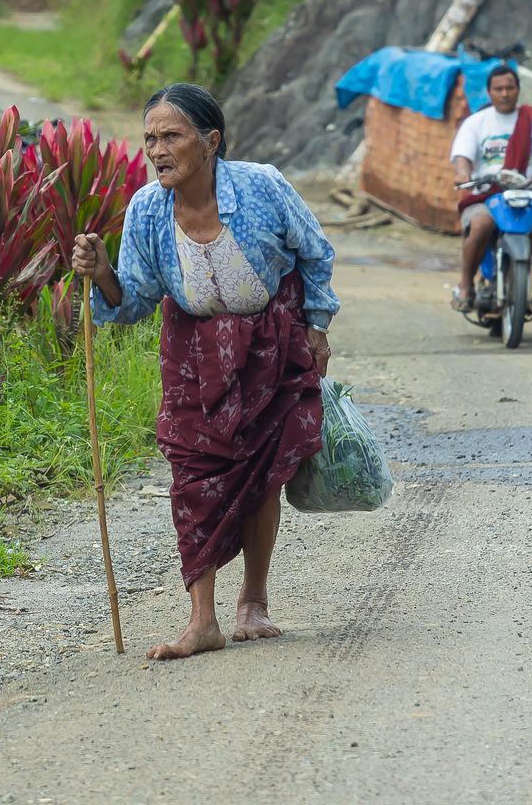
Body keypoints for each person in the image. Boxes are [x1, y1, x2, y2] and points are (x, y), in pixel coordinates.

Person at [72, 82, 339, 661]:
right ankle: (203, 621)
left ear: (211, 141)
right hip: (193, 351)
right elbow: (132, 300)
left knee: (264, 470)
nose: (157, 150)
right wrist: (102, 274)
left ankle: (254, 602)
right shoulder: (148, 209)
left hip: (271, 342)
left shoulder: (262, 187)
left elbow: (316, 252)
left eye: (171, 136)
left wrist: (317, 326)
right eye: (150, 139)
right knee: (192, 475)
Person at [450, 64, 532, 313]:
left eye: (510, 88)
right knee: (481, 224)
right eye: (498, 89)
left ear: (519, 90)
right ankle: (466, 286)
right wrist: (463, 173)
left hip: (529, 194)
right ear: (489, 92)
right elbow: (462, 155)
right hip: (486, 195)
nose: (504, 94)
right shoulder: (476, 123)